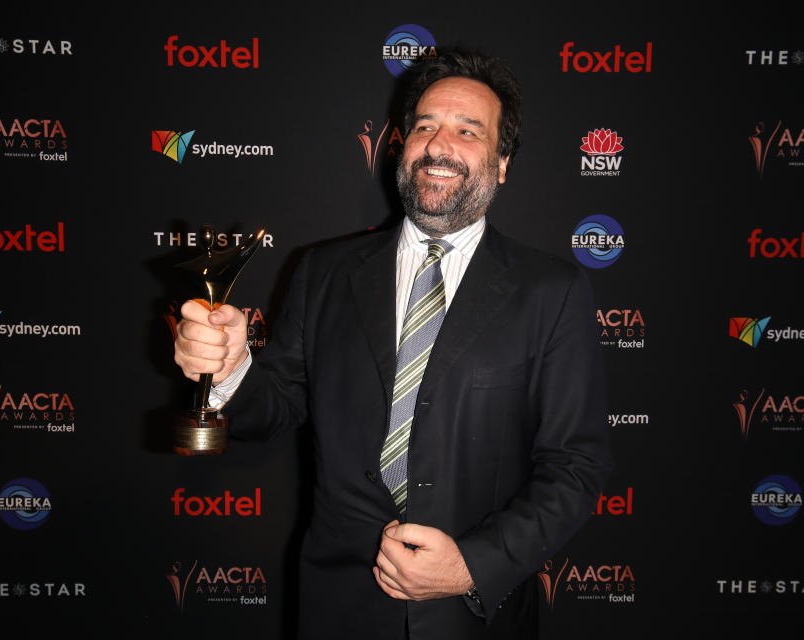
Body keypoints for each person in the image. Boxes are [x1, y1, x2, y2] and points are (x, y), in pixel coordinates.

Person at [174, 50, 612, 640]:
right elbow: (273, 406)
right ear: (401, 145)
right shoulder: (324, 271)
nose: (439, 145)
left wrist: (471, 566)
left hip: (476, 618)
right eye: (425, 126)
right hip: (339, 608)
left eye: (468, 130)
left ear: (502, 162)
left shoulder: (551, 291)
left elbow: (576, 466)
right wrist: (229, 370)